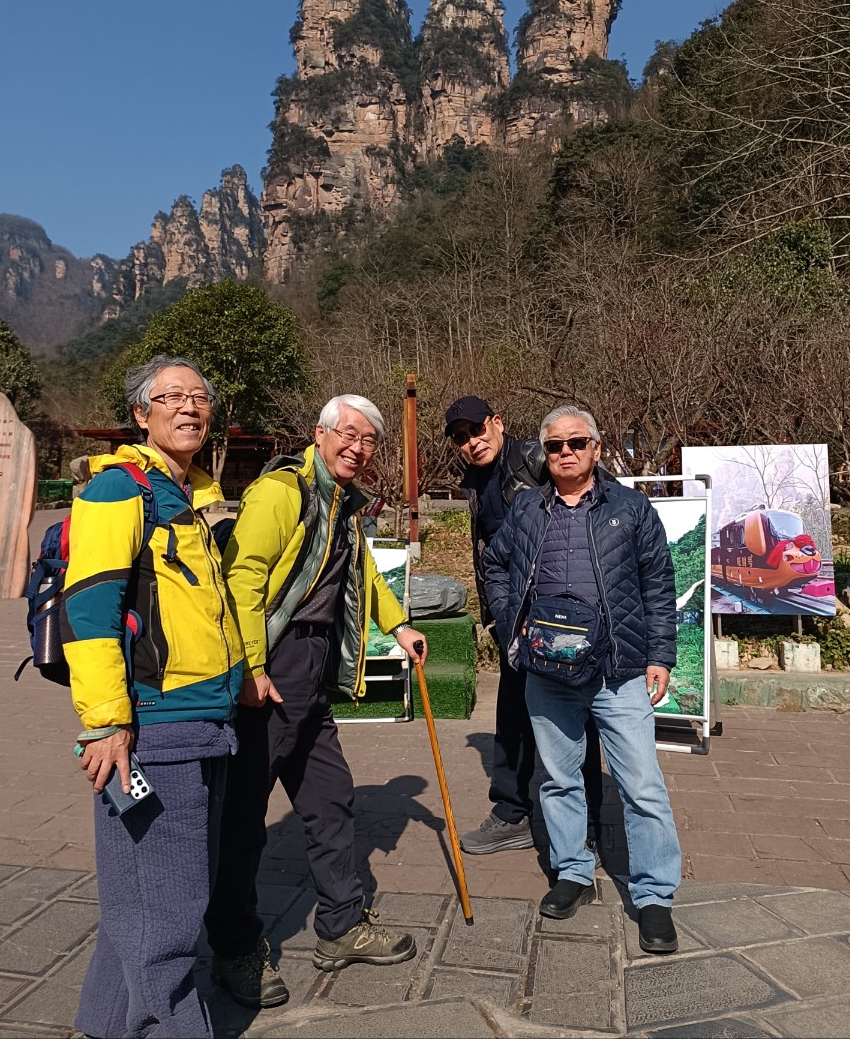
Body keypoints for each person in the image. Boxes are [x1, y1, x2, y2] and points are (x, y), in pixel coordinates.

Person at [206, 394, 428, 1008]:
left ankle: (341, 925)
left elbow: (365, 575)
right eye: (348, 434)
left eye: (368, 440)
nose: (358, 447)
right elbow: (244, 578)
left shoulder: (344, 503)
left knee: (331, 798)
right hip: (274, 663)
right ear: (320, 434)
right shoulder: (282, 492)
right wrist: (251, 668)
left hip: (311, 667)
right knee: (244, 816)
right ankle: (233, 946)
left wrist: (399, 625)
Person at [64, 355, 244, 1038]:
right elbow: (89, 609)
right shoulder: (120, 490)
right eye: (170, 397)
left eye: (199, 397)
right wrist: (106, 721)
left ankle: (107, 1024)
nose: (189, 407)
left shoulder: (195, 495)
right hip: (150, 726)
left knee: (143, 903)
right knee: (166, 912)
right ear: (141, 415)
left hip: (206, 719)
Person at [483, 405, 681, 954]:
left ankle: (654, 895)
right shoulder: (528, 509)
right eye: (554, 446)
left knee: (642, 785)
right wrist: (511, 623)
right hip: (547, 670)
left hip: (619, 671)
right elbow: (495, 564)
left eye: (576, 443)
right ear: (544, 454)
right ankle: (572, 870)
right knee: (557, 778)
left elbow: (659, 583)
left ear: (596, 448)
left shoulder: (631, 508)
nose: (565, 452)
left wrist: (661, 655)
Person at [443, 396, 603, 857]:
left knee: (576, 719)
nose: (471, 442)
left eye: (477, 429)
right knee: (512, 717)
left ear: (497, 423)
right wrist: (499, 614)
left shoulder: (536, 457)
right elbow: (491, 554)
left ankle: (587, 826)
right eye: (461, 437)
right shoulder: (476, 479)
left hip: (562, 619)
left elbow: (596, 502)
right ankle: (512, 813)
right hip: (516, 619)